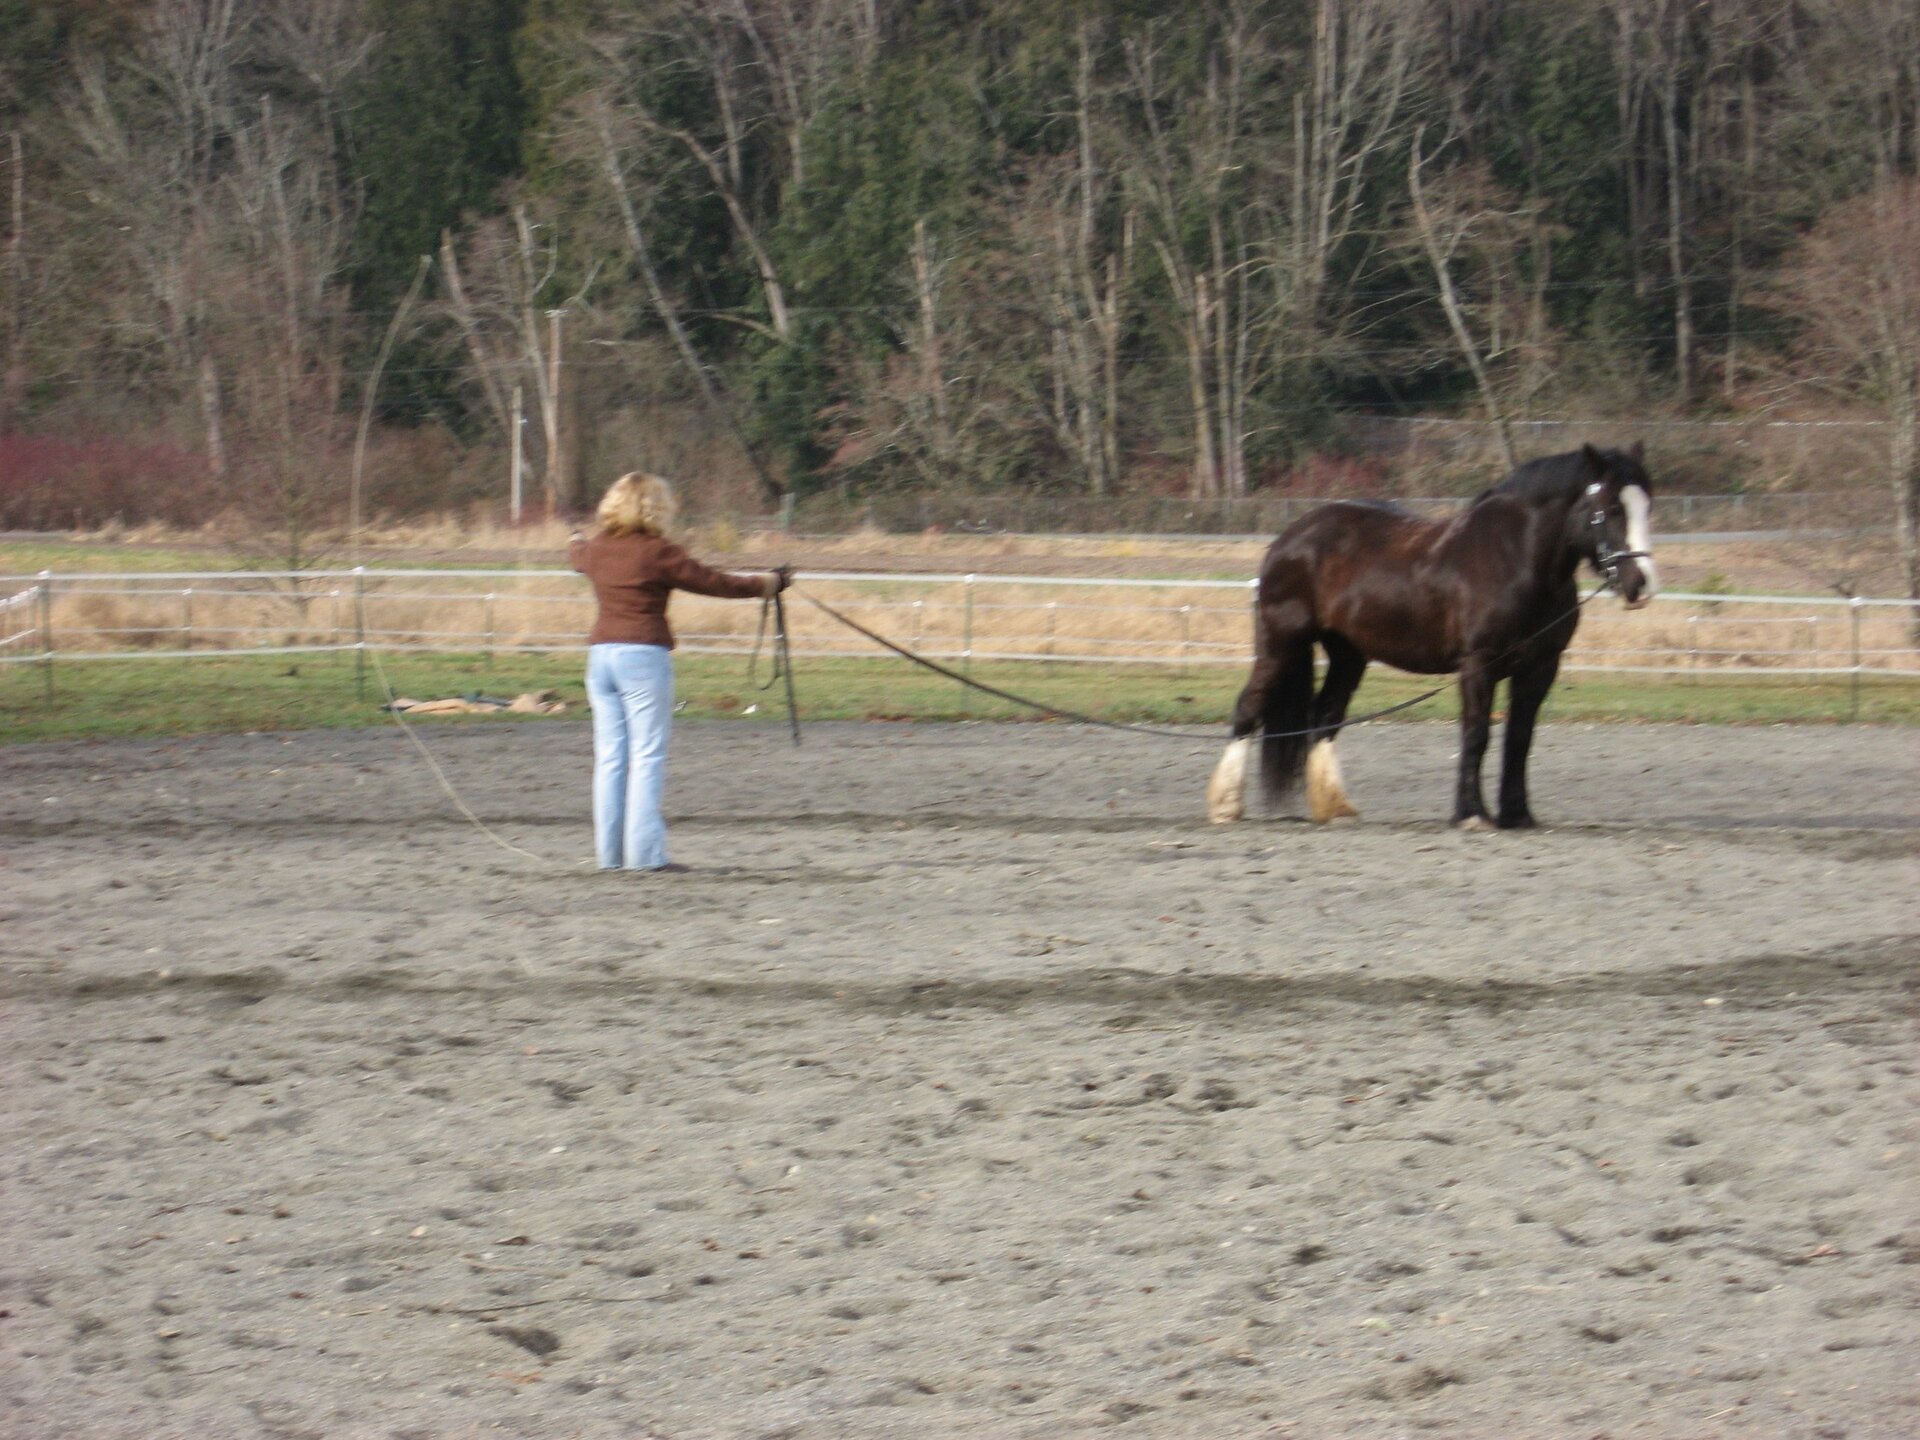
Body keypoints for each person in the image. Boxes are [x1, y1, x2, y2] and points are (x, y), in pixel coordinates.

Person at [568, 472, 791, 872]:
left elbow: (577, 557)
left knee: (611, 759)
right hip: (642, 658)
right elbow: (712, 582)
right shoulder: (658, 551)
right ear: (656, 508)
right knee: (647, 756)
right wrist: (767, 584)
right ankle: (646, 857)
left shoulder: (596, 549)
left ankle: (610, 857)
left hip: (600, 658)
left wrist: (574, 539)